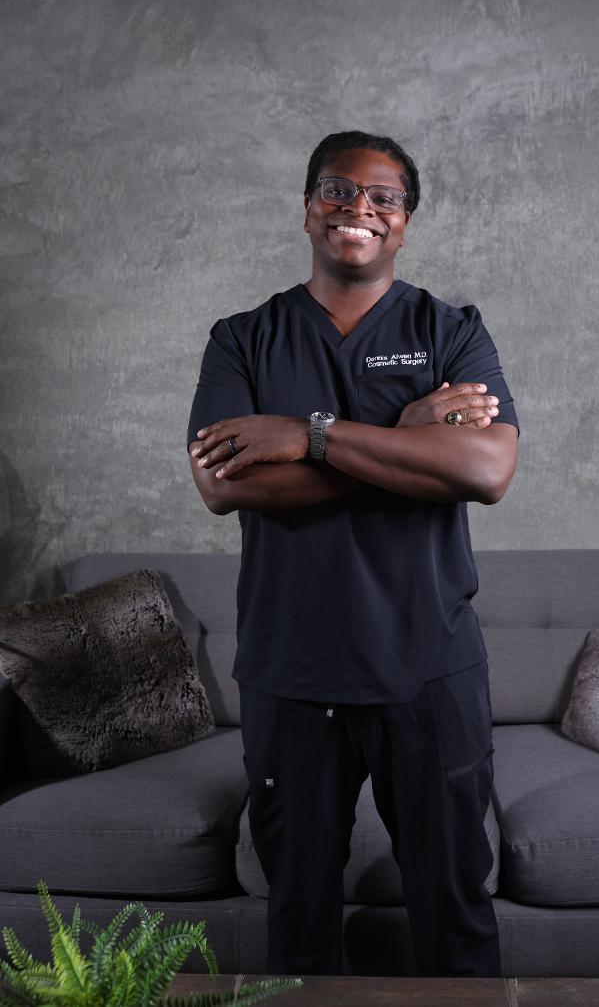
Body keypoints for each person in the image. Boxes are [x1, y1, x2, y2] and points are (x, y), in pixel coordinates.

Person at [186, 130, 519, 978]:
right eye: (338, 190)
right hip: (292, 672)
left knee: (455, 915)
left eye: (383, 198)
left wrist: (308, 436)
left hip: (428, 669)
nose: (358, 208)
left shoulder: (451, 331)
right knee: (298, 919)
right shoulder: (243, 338)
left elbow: (485, 470)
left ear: (405, 222)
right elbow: (225, 487)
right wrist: (405, 437)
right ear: (308, 209)